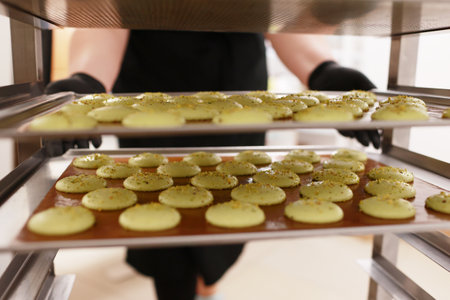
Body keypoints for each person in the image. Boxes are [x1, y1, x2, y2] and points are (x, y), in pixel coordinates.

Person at [46, 29, 379, 300]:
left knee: (232, 206)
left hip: (236, 84)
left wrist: (321, 68)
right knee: (160, 223)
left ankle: (209, 287)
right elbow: (109, 12)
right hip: (152, 84)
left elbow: (275, 13)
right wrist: (89, 77)